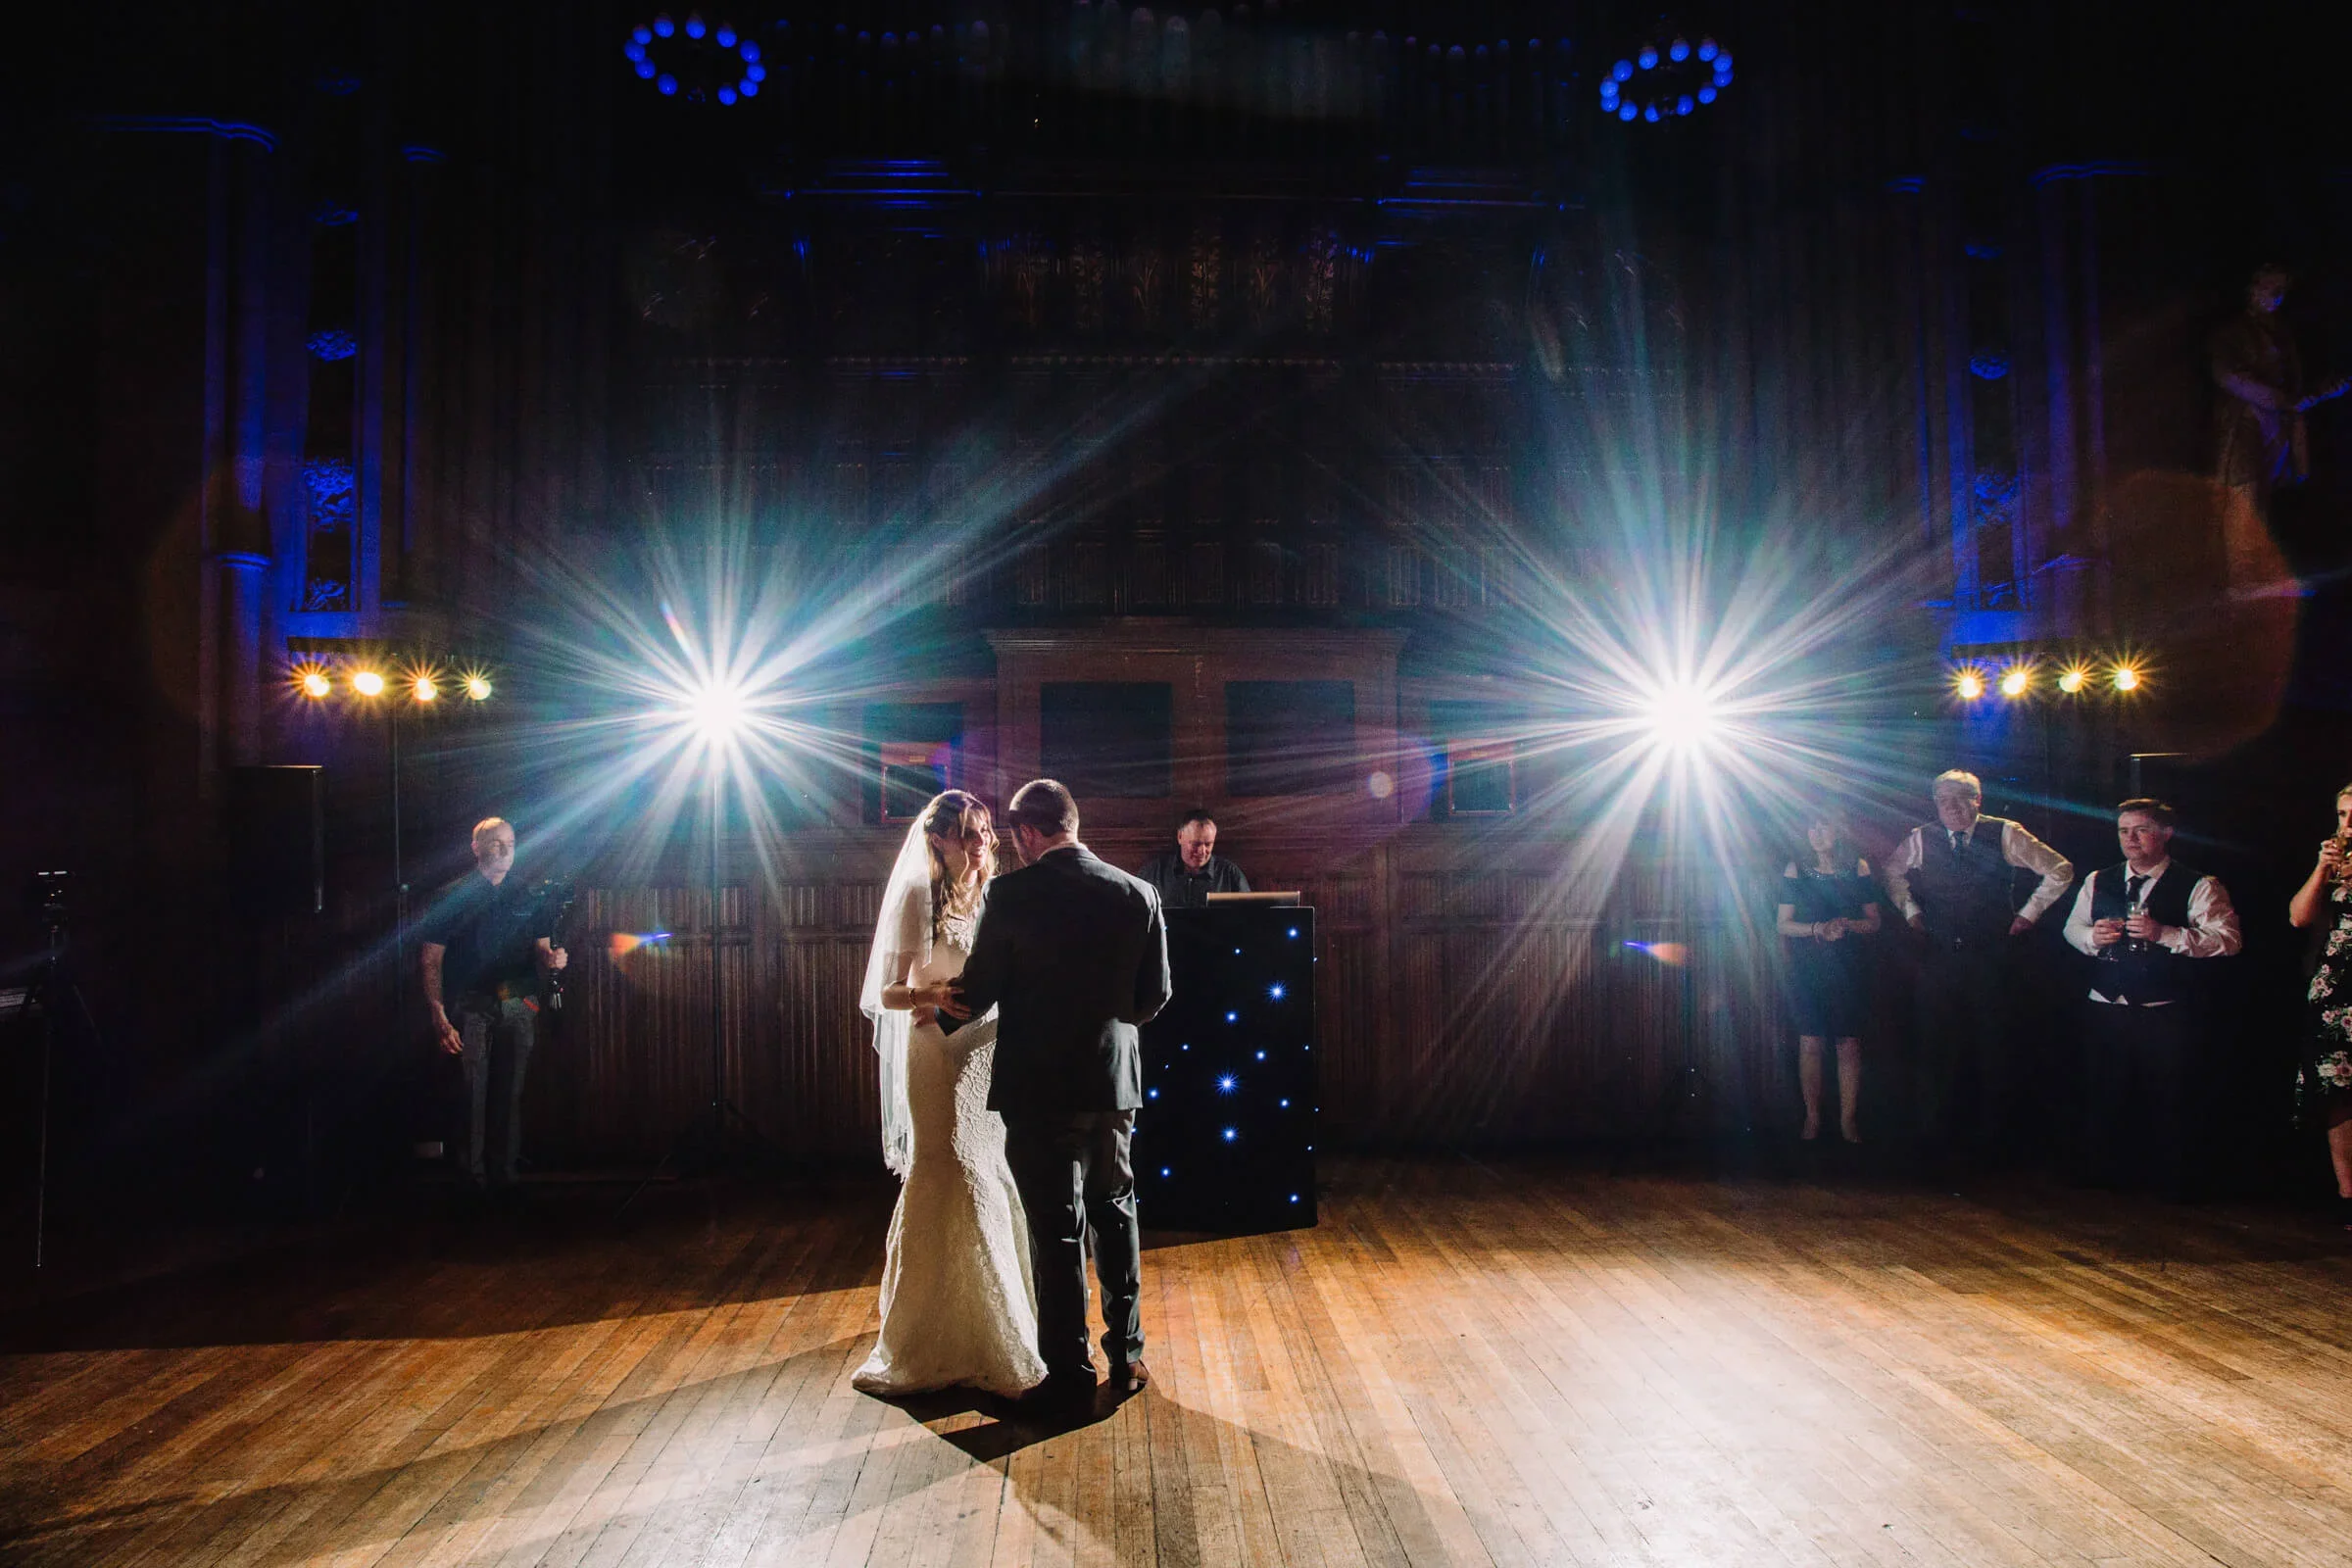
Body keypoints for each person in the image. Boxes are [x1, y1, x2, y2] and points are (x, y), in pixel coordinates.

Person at [945, 778, 1172, 1406]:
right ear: (1073, 822)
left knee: (1056, 1231)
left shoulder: (1010, 893)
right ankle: (1127, 1358)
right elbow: (1154, 998)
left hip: (1037, 1086)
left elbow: (979, 989)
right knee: (1115, 1213)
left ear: (1027, 832)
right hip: (1109, 1082)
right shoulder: (1139, 892)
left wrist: (933, 1011)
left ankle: (1069, 1377)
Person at [852, 790, 1047, 1399]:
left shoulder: (993, 896)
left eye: (985, 830)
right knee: (954, 1170)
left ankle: (992, 1326)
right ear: (937, 840)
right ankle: (933, 1338)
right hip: (936, 1053)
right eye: (968, 831)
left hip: (986, 1050)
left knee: (988, 1169)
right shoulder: (919, 897)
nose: (982, 841)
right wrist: (931, 996)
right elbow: (887, 993)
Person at [1881, 770, 2074, 1167]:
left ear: (1977, 800)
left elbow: (2060, 870)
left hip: (1991, 956)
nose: (1950, 807)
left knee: (1995, 1047)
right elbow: (1891, 873)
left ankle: (1996, 1142)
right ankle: (1935, 1141)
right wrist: (1911, 910)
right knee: (1937, 1048)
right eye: (1942, 800)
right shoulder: (1922, 837)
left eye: (1959, 798)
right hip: (1940, 956)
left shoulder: (2005, 833)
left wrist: (2029, 914)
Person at [2060, 800, 2242, 1198]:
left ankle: (2170, 1182)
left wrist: (2167, 935)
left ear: (2165, 833)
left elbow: (2228, 941)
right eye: (2124, 831)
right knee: (2104, 1091)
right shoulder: (2098, 879)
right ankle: (2104, 1178)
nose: (2131, 839)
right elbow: (2072, 928)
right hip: (2106, 1004)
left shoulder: (2198, 884)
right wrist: (2093, 938)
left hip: (2164, 1009)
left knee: (2168, 1096)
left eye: (2141, 830)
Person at [416, 817, 567, 1193]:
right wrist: (437, 1012)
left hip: (518, 996)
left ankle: (504, 1178)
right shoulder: (451, 896)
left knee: (510, 1090)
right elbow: (431, 958)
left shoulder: (529, 895)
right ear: (476, 847)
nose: (504, 851)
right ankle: (472, 1182)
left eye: (510, 843)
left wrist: (554, 960)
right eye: (495, 843)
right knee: (471, 1092)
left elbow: (543, 949)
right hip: (470, 1000)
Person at [2212, 264, 2349, 594]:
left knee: (2262, 500)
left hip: (2274, 426)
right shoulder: (2232, 333)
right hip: (2245, 421)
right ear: (2252, 286)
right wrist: (2288, 400)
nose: (2276, 292)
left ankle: (2258, 576)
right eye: (2269, 284)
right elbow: (2229, 375)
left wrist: (2310, 395)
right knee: (2246, 494)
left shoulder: (2282, 334)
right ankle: (2243, 580)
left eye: (2281, 286)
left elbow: (2291, 388)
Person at [1776, 815, 1882, 1144]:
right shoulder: (1796, 868)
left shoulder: (1857, 866)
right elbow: (1782, 924)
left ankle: (1848, 1120)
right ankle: (1812, 1117)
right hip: (1809, 965)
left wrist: (1846, 925)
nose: (1817, 833)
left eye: (1824, 826)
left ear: (1838, 831)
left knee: (1848, 1043)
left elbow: (1874, 921)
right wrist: (1817, 929)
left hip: (1849, 966)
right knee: (1810, 1042)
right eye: (1812, 827)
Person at [2288, 782, 2352, 1227]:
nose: (2348, 825)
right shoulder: (2336, 866)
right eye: (2343, 815)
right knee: (2337, 1094)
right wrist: (2321, 871)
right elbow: (2299, 916)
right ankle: (2349, 1194)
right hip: (2337, 992)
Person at [1138, 808, 1251, 908]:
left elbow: (1248, 917)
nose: (1202, 851)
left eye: (1208, 844)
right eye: (1195, 844)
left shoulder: (1230, 875)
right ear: (1180, 837)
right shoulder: (1153, 874)